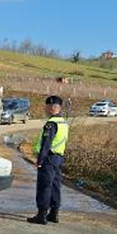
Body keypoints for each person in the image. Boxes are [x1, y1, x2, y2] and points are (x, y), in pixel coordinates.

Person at [27, 95, 69, 225]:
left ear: (51, 107)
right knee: (55, 186)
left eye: (46, 107)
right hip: (58, 158)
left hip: (48, 158)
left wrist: (39, 161)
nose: (45, 109)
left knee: (45, 186)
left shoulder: (51, 124)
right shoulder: (63, 123)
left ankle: (41, 215)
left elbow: (46, 144)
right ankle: (54, 213)